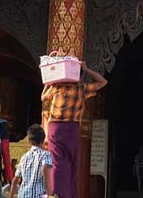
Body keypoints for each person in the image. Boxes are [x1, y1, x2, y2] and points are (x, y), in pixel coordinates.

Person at [41, 57, 107, 198]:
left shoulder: (56, 87)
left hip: (56, 128)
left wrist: (48, 81)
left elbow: (43, 98)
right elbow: (103, 82)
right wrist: (87, 68)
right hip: (73, 128)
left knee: (58, 161)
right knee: (73, 162)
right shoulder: (81, 89)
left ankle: (58, 193)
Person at [11, 123, 54, 198]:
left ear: (29, 141)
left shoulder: (24, 157)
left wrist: (11, 196)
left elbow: (15, 180)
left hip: (23, 194)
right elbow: (45, 169)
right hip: (38, 195)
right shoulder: (46, 155)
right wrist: (49, 192)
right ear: (43, 140)